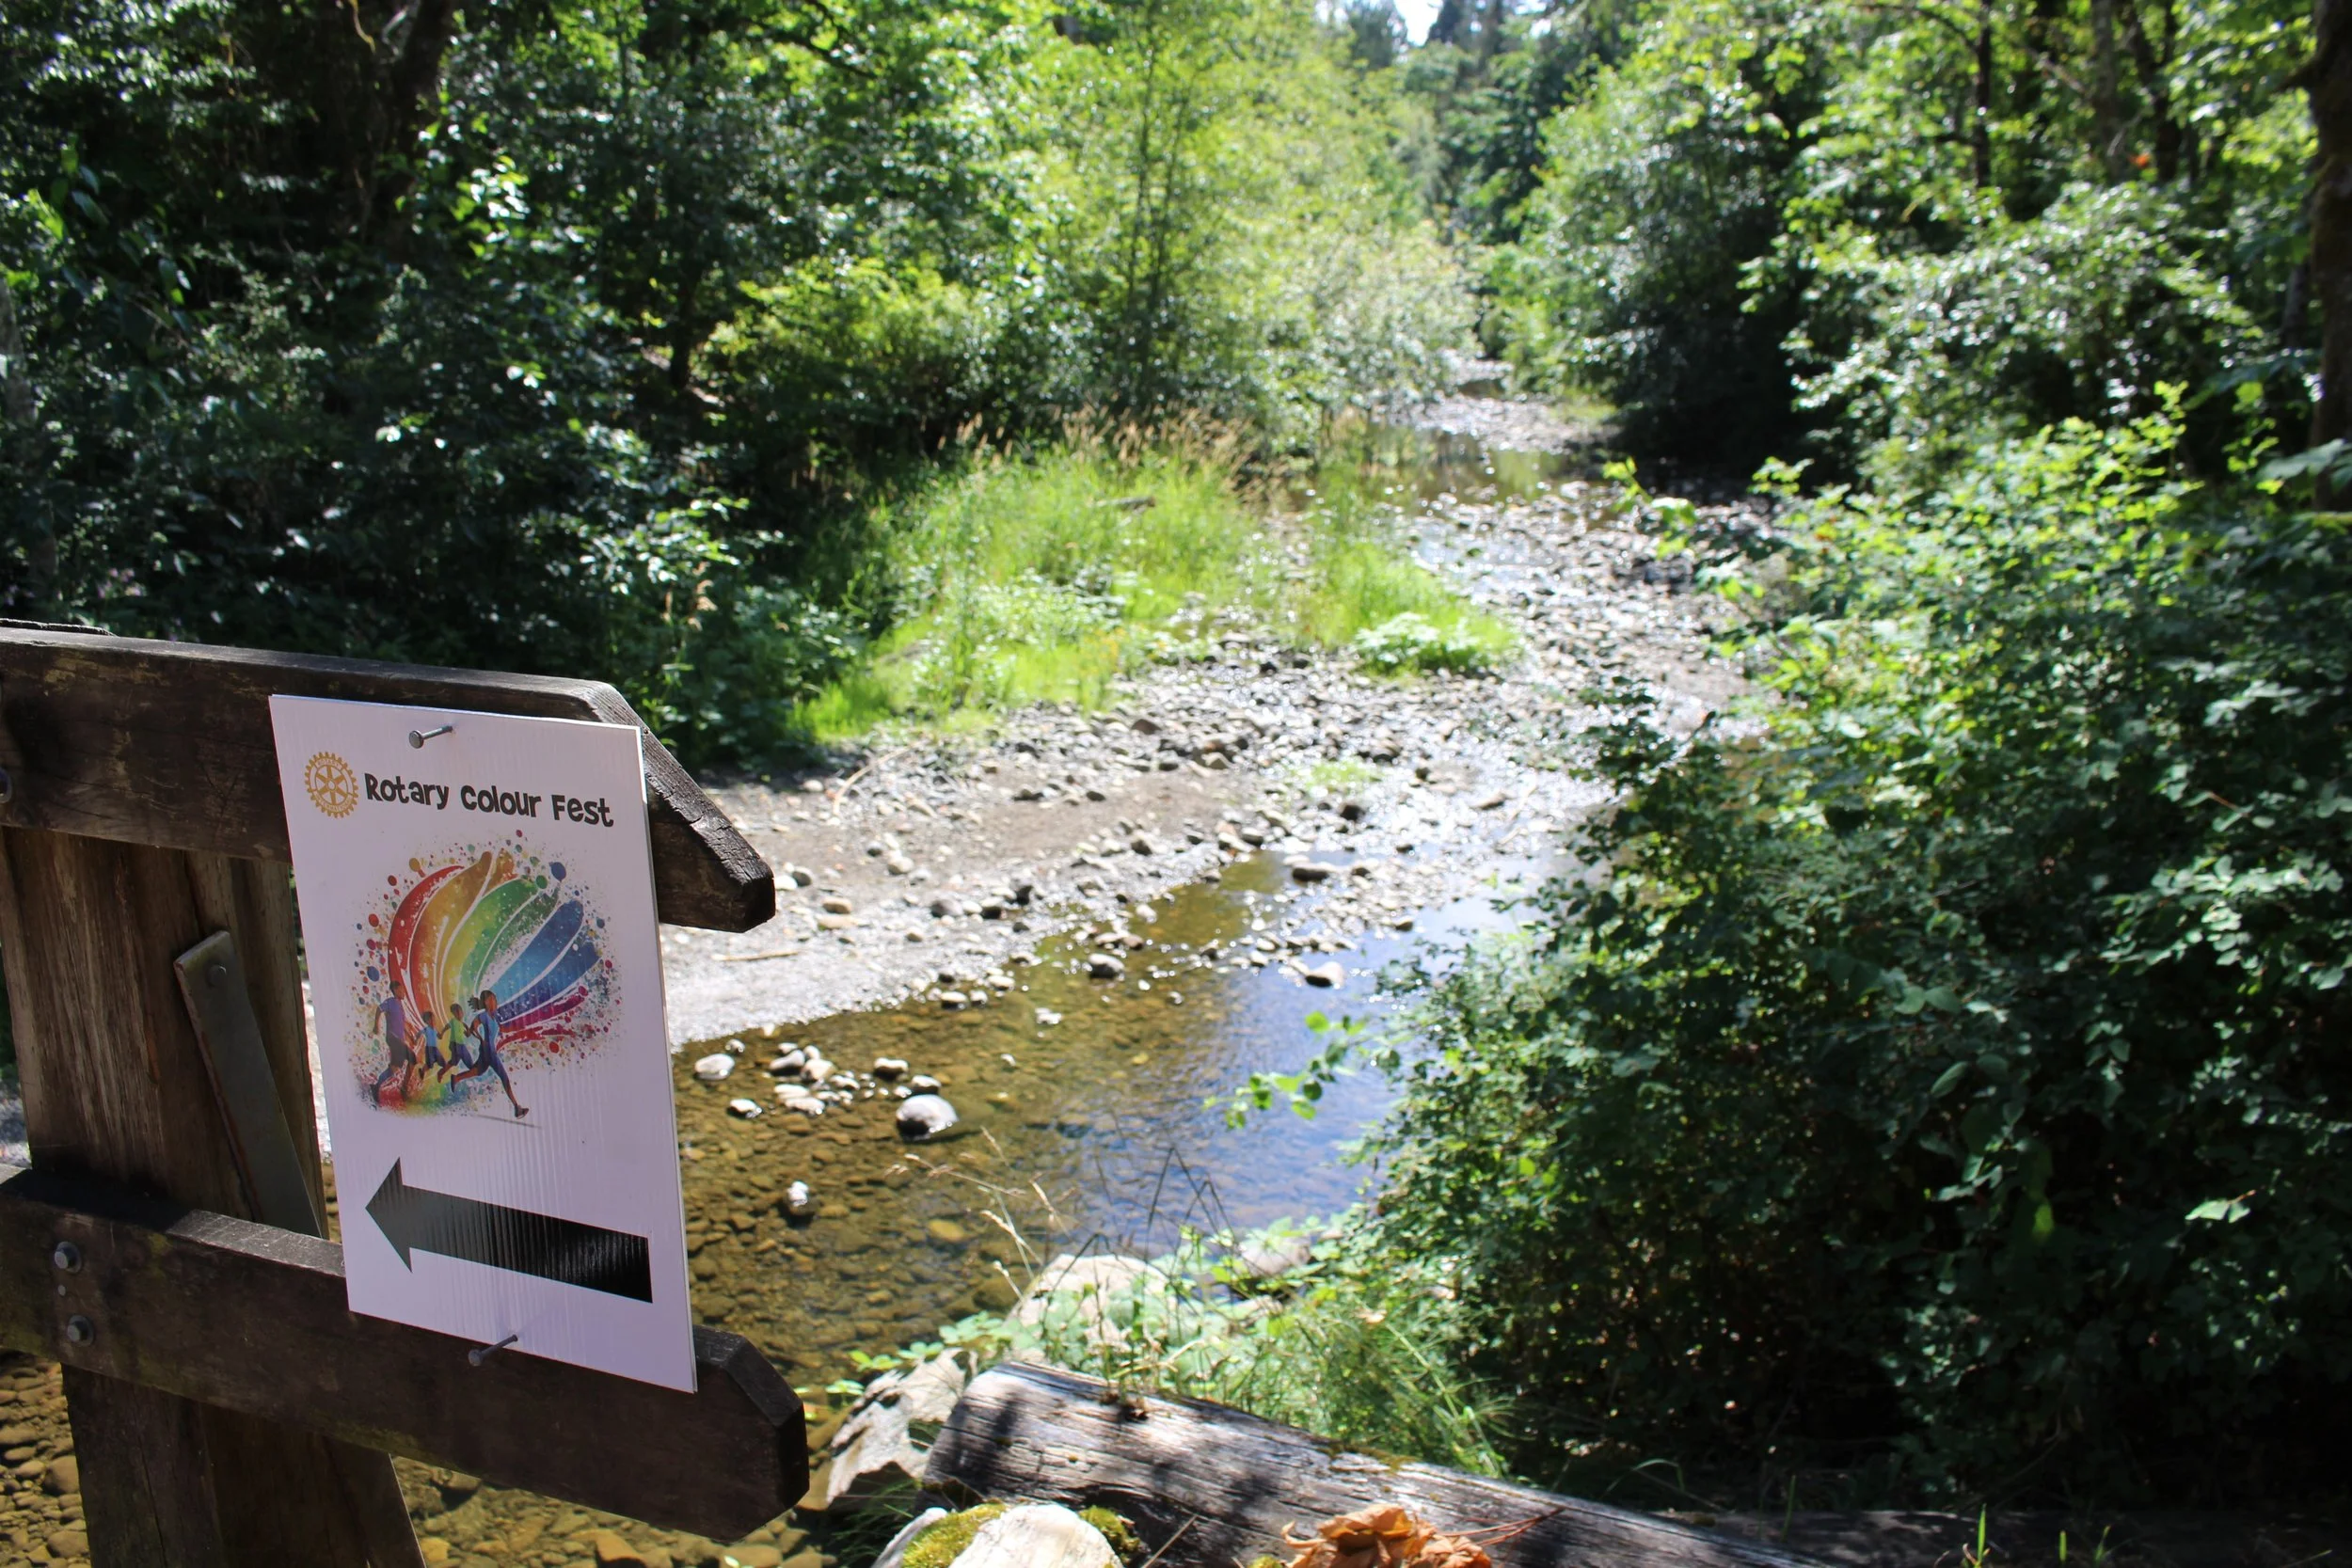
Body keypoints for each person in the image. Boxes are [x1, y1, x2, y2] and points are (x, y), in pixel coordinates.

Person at [452, 989, 528, 1118]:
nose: (496, 1001)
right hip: (490, 1051)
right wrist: (481, 1039)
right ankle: (517, 1108)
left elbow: (475, 1027)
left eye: (496, 999)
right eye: (493, 999)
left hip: (488, 1050)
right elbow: (474, 1025)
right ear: (488, 1002)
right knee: (504, 1078)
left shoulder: (492, 1017)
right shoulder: (484, 1016)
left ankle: (456, 1078)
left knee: (478, 1071)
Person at [370, 990, 417, 1105]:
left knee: (395, 1068)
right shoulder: (390, 1002)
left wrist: (410, 1036)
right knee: (412, 1058)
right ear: (396, 990)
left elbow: (401, 1024)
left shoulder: (400, 1007)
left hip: (398, 1040)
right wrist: (376, 1026)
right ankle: (404, 1088)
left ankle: (376, 1087)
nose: (403, 992)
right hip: (392, 1038)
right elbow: (379, 1009)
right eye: (401, 989)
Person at [440, 1000, 473, 1077]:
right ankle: (471, 1069)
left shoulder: (462, 1024)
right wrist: (442, 1034)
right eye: (456, 1013)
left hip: (458, 1044)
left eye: (460, 1012)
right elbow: (446, 1027)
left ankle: (441, 1073)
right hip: (456, 1044)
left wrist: (469, 1030)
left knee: (454, 1062)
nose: (459, 1014)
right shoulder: (453, 1021)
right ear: (454, 1014)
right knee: (470, 1064)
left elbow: (467, 1034)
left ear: (462, 1012)